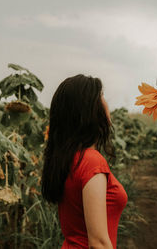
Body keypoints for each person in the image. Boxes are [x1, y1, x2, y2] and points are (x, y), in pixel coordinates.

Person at [41, 74, 128, 249]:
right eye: (101, 95)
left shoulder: (68, 157)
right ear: (88, 109)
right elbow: (99, 243)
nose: (106, 101)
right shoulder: (92, 161)